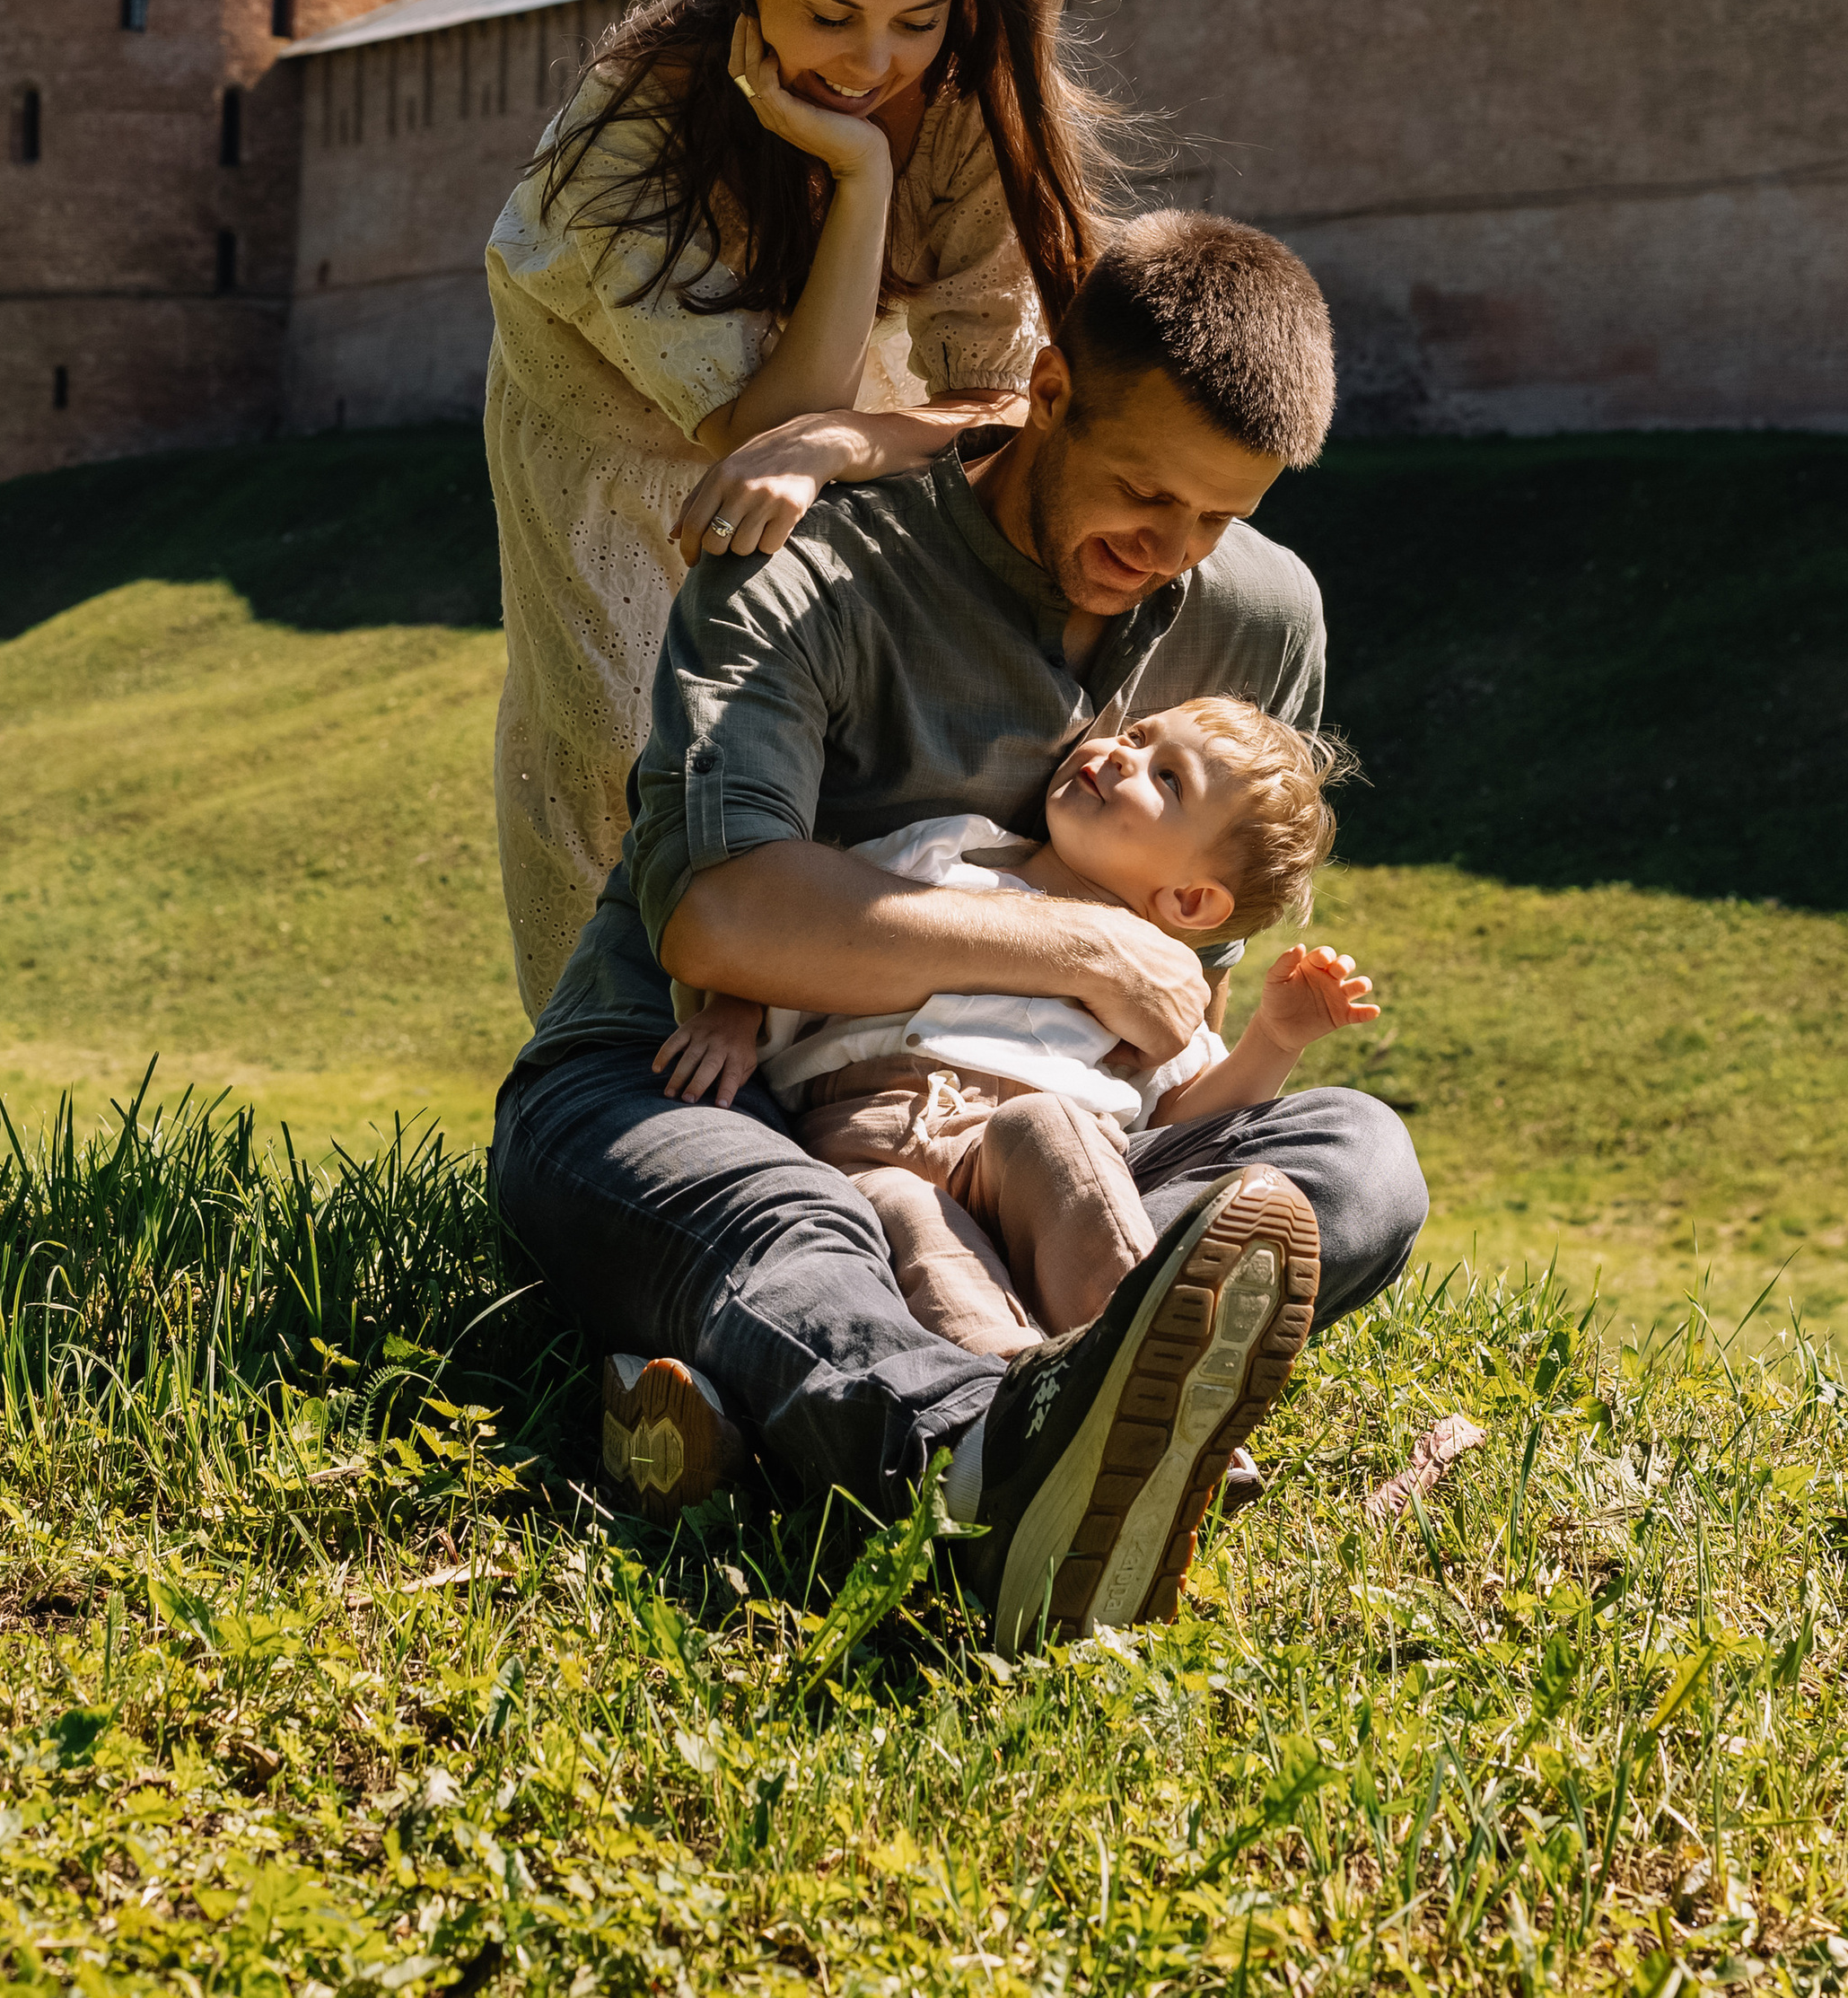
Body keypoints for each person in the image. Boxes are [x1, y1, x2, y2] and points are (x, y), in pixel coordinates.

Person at [490, 211, 1431, 1651]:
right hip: (688, 1084)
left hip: (1050, 1138)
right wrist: (1071, 949)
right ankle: (990, 1473)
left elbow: (1193, 985)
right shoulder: (804, 562)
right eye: (1139, 491)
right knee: (804, 1223)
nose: (1168, 550)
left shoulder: (1259, 615)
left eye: (1217, 517)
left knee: (1356, 1163)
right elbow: (722, 913)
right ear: (1048, 396)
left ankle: (873, 1406)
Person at [483, 0, 1112, 1014]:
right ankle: (597, 1130)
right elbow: (750, 430)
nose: (873, 64)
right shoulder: (626, 134)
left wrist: (847, 437)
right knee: (626, 767)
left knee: (846, 779)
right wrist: (862, 179)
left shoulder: (970, 105)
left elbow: (1008, 407)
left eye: (917, 23)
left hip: (845, 431)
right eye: (831, 14)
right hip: (617, 461)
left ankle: (868, 1129)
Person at [649, 697, 1380, 1360]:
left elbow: (1184, 1116)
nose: (1122, 754)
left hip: (1028, 1167)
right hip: (863, 1138)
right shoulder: (950, 852)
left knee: (1052, 1132)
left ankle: (1135, 1359)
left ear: (1190, 899)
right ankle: (1013, 1387)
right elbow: (802, 935)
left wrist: (1274, 1042)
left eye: (1168, 779)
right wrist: (735, 1012)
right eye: (1135, 734)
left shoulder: (1160, 984)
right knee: (906, 1214)